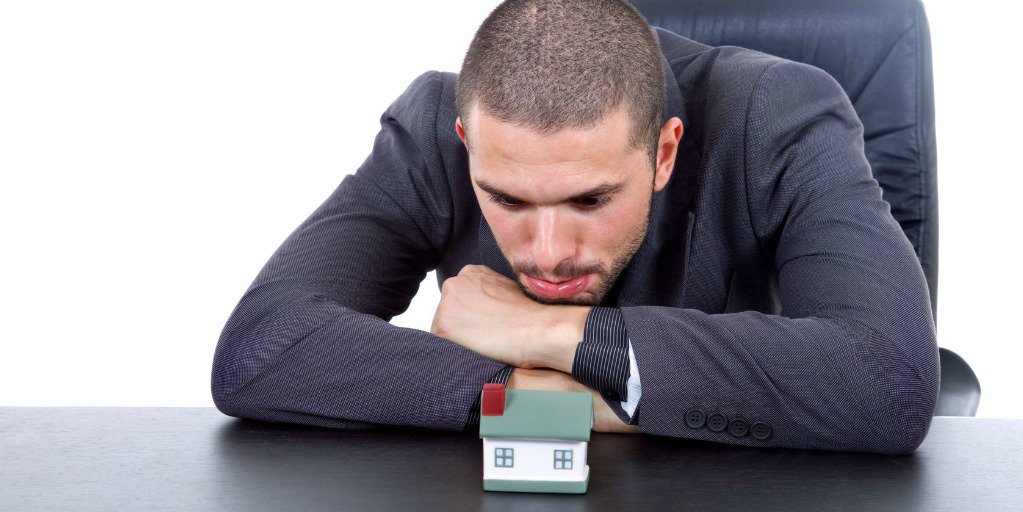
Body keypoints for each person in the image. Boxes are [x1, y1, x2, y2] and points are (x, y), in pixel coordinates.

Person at [210, 0, 939, 454]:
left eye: (589, 200)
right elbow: (261, 348)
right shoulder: (434, 125)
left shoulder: (780, 117)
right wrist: (529, 396)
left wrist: (549, 334)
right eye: (508, 201)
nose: (549, 254)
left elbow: (887, 379)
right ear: (468, 148)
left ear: (663, 151)